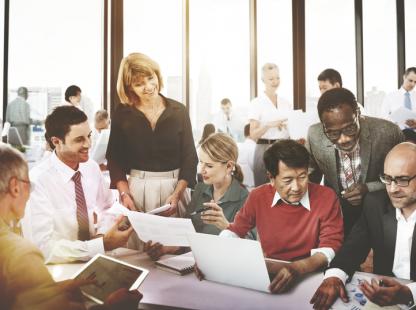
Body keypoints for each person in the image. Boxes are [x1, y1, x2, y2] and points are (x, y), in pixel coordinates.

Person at [0, 144, 141, 310]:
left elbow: (14, 298)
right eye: (29, 186)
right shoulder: (21, 254)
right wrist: (111, 306)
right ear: (15, 187)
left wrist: (57, 288)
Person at [219, 139, 343, 293]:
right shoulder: (258, 196)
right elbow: (235, 230)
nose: (296, 187)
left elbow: (330, 246)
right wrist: (214, 257)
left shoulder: (326, 197)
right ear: (271, 178)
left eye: (302, 177)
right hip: (270, 275)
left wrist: (298, 267)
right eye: (287, 180)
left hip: (311, 275)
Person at [310, 142, 416, 310]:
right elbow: (353, 247)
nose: (392, 189)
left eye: (403, 180)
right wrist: (334, 276)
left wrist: (409, 293)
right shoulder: (375, 204)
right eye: (387, 179)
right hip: (385, 299)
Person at [23, 106, 133, 264]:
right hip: (58, 268)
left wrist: (102, 235)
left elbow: (108, 207)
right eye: (79, 139)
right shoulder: (38, 181)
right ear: (56, 142)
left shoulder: (91, 167)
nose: (88, 144)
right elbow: (42, 248)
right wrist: (100, 245)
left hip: (94, 259)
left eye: (89, 136)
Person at [106, 52, 198, 219]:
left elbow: (190, 157)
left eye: (150, 78)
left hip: (176, 188)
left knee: (175, 243)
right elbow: (114, 159)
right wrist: (125, 194)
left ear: (157, 75)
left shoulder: (179, 111)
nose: (148, 86)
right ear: (129, 88)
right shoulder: (122, 113)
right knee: (140, 243)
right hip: (137, 189)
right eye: (139, 84)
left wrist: (177, 194)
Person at [306, 87, 404, 237]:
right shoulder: (314, 135)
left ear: (358, 113)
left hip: (380, 206)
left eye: (350, 128)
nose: (343, 139)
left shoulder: (388, 132)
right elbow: (309, 179)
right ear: (322, 125)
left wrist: (367, 188)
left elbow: (406, 179)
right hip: (338, 210)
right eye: (333, 133)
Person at [144, 133, 254, 260]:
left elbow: (251, 248)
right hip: (193, 263)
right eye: (201, 162)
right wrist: (168, 248)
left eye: (209, 165)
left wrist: (227, 226)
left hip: (222, 265)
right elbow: (188, 235)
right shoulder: (200, 189)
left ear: (229, 166)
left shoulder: (246, 199)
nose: (202, 170)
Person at [249, 63, 292, 186]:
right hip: (264, 149)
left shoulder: (286, 103)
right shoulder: (256, 103)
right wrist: (269, 125)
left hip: (284, 148)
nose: (275, 81)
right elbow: (253, 134)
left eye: (277, 78)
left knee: (284, 187)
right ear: (263, 80)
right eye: (271, 79)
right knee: (263, 190)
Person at [382, 67, 416, 142]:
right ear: (404, 77)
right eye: (410, 80)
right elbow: (383, 118)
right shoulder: (390, 97)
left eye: (415, 82)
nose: (413, 84)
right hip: (397, 135)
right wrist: (395, 122)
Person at [237, 124, 256, 188]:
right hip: (253, 187)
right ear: (252, 132)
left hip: (240, 186)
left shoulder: (238, 147)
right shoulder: (255, 148)